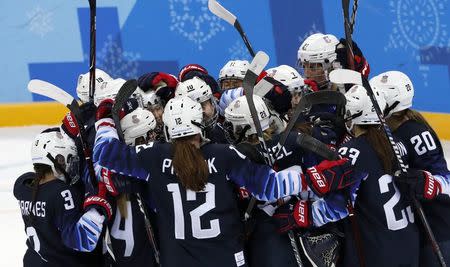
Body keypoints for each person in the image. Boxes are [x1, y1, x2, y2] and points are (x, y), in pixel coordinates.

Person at [92, 96, 327, 267]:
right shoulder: (225, 155)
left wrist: (104, 121)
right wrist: (313, 178)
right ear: (199, 126)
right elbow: (271, 188)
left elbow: (103, 153)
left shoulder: (153, 157)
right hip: (226, 259)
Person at [275, 85, 421, 266]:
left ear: (354, 115)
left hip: (375, 249)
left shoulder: (353, 150)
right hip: (409, 243)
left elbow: (338, 207)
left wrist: (300, 214)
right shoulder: (397, 143)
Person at [371, 71, 450, 266]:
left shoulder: (416, 133)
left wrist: (428, 182)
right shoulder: (388, 132)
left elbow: (446, 180)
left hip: (437, 230)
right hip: (417, 233)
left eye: (376, 98)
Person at [13, 128, 112, 266]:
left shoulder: (23, 187)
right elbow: (84, 240)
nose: (71, 164)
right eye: (68, 159)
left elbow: (28, 180)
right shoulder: (62, 193)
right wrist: (97, 201)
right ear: (58, 159)